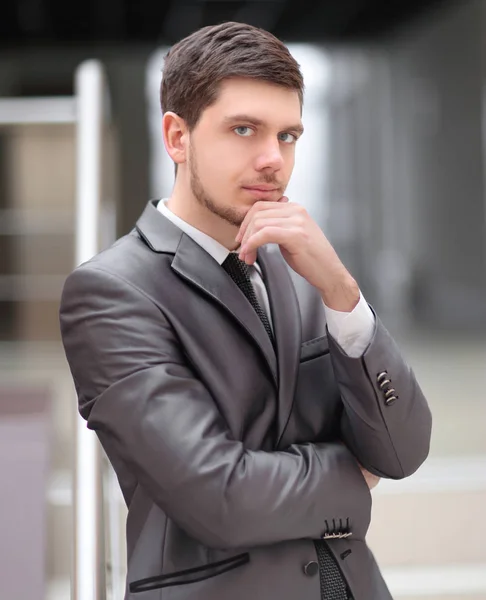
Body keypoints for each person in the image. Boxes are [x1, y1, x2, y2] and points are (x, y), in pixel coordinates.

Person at [59, 21, 432, 600]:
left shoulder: (304, 267)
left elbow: (404, 450)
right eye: (243, 129)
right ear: (177, 137)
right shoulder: (112, 291)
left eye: (287, 136)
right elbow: (218, 497)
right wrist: (351, 474)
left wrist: (340, 290)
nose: (272, 160)